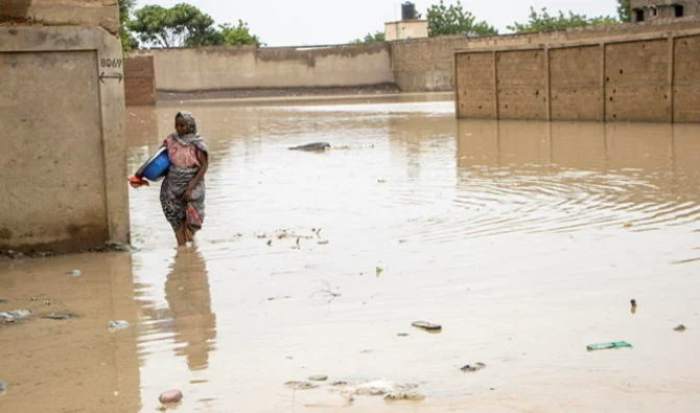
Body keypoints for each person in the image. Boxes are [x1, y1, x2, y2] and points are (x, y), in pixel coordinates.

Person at [131, 112, 209, 246]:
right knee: (175, 217)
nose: (179, 128)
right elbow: (156, 157)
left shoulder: (197, 144)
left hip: (192, 185)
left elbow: (204, 166)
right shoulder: (171, 141)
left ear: (190, 126)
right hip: (171, 188)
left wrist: (191, 186)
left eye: (182, 125)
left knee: (193, 218)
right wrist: (140, 172)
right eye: (177, 125)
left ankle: (190, 243)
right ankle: (182, 250)